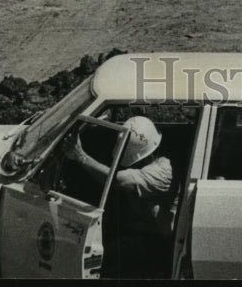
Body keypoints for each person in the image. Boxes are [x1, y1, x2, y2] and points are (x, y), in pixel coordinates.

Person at [66, 115, 175, 277]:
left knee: (95, 263)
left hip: (154, 241)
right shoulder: (149, 165)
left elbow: (120, 181)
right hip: (138, 234)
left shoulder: (162, 171)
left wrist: (81, 157)